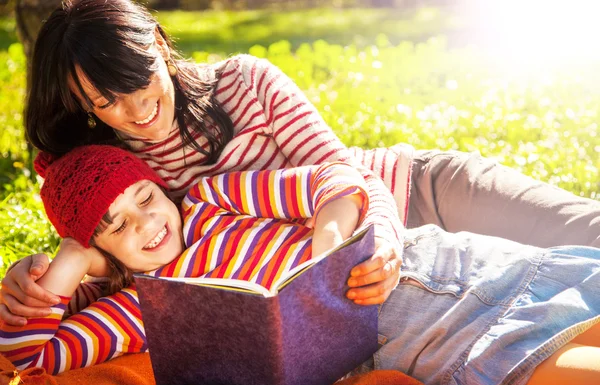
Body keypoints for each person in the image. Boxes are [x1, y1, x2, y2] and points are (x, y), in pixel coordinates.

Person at [2, 0, 600, 325]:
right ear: (82, 104)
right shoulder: (110, 171)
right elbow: (122, 285)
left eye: (140, 82)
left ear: (159, 44)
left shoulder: (246, 81)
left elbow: (350, 176)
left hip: (416, 194)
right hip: (337, 284)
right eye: (105, 102)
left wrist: (383, 244)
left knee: (584, 236)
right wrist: (35, 282)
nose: (134, 112)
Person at [2, 145, 599, 385]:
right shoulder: (141, 307)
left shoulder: (215, 198)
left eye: (144, 198)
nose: (147, 225)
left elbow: (333, 181)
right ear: (99, 249)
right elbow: (31, 361)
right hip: (429, 336)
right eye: (115, 226)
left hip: (436, 260)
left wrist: (327, 245)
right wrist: (70, 262)